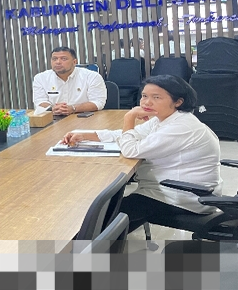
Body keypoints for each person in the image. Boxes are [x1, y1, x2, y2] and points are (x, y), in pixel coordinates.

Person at [62, 75, 221, 233]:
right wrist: (85, 135)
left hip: (185, 197)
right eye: (144, 96)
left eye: (156, 97)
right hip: (169, 188)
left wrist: (129, 116)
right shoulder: (164, 119)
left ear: (178, 102)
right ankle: (98, 242)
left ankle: (85, 245)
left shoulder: (181, 127)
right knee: (106, 213)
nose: (146, 102)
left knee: (102, 219)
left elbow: (130, 149)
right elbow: (128, 134)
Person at [32, 47, 106, 115]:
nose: (58, 62)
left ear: (74, 62)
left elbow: (98, 102)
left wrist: (73, 108)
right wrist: (53, 108)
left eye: (64, 59)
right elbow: (40, 101)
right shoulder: (40, 78)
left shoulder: (92, 76)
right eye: (54, 59)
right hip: (53, 118)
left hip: (84, 118)